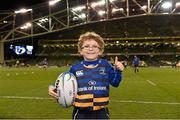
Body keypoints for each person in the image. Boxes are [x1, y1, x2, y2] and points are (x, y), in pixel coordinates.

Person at [48, 32, 124, 119]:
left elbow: (115, 83)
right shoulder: (75, 68)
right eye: (86, 46)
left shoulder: (105, 65)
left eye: (95, 46)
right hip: (81, 113)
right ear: (80, 51)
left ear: (100, 51)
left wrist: (118, 71)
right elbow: (64, 81)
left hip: (101, 113)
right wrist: (52, 87)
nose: (90, 49)